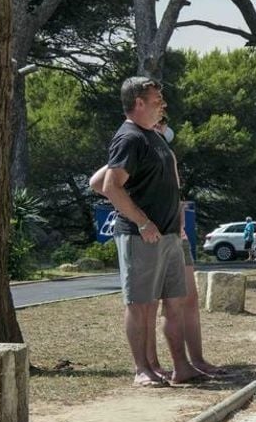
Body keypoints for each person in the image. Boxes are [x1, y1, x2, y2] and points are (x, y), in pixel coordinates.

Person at [90, 118, 222, 379]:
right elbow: (100, 183)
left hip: (173, 232)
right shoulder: (133, 143)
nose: (161, 124)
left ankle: (189, 362)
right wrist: (137, 214)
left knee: (182, 299)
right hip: (146, 232)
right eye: (158, 119)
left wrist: (179, 218)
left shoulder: (163, 150)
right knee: (145, 304)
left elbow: (174, 191)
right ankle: (149, 365)